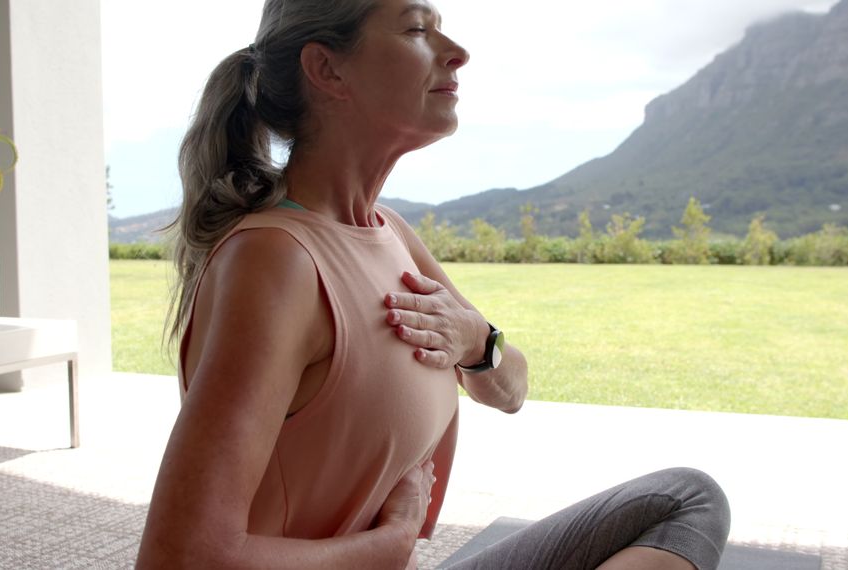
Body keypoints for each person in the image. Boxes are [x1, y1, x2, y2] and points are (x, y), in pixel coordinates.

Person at [136, 0, 731, 568]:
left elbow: (510, 388)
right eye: (419, 29)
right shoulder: (274, 261)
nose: (458, 52)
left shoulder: (389, 232)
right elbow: (180, 558)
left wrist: (478, 342)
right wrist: (386, 549)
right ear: (327, 68)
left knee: (687, 501)